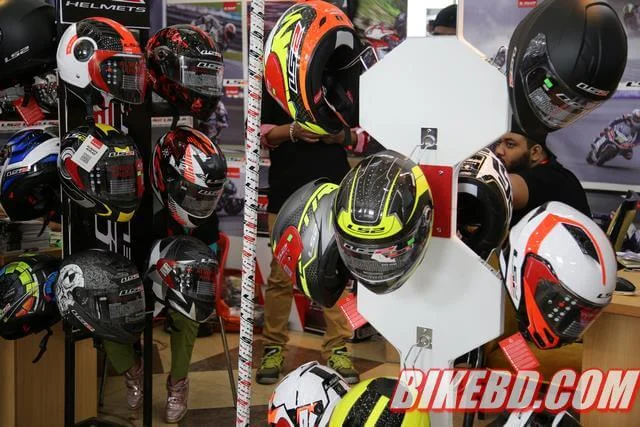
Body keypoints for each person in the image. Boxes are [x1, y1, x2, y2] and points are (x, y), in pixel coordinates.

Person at [256, 84, 361, 385]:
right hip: (286, 190)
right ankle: (273, 346)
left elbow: (362, 136)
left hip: (332, 188)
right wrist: (292, 131)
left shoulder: (340, 79)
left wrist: (338, 135)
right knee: (280, 276)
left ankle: (338, 346)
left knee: (336, 274)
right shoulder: (275, 84)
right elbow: (259, 134)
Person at [494, 118, 591, 226]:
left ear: (535, 152)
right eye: (498, 143)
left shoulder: (553, 179)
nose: (498, 150)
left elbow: (497, 186)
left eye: (510, 144)